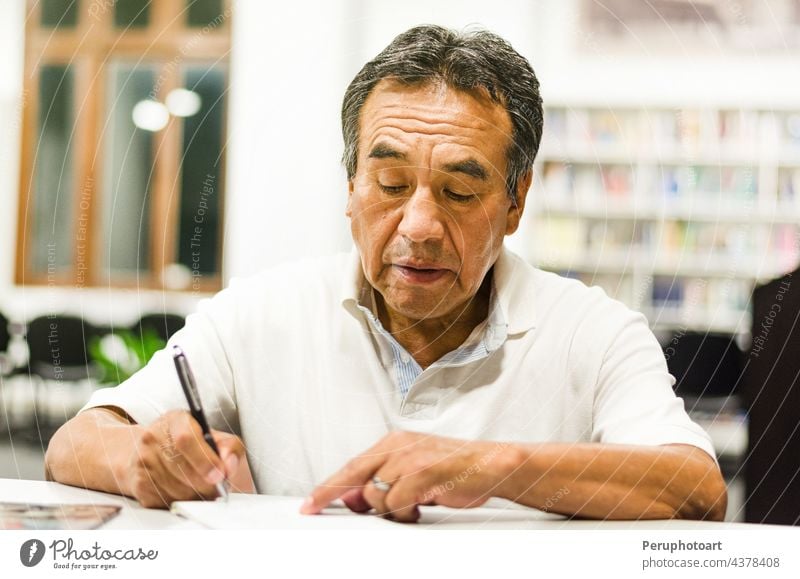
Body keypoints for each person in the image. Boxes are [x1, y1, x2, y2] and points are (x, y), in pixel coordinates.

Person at [45, 25, 727, 523]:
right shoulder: (262, 313)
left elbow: (697, 486)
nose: (421, 226)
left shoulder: (593, 332)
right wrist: (139, 453)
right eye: (392, 183)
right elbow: (75, 443)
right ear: (350, 187)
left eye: (460, 193)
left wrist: (494, 467)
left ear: (515, 201)